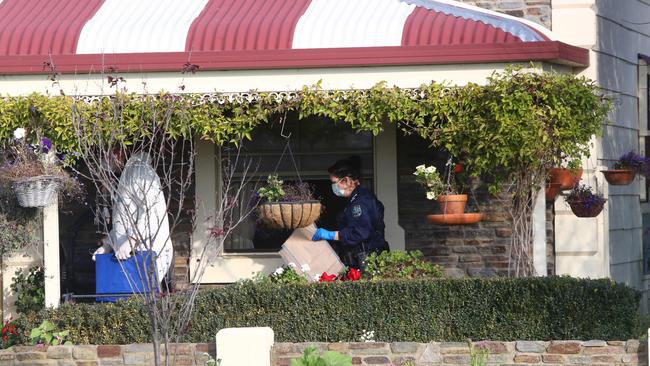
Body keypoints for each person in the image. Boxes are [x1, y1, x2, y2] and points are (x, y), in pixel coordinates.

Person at [92, 152, 173, 284]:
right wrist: (107, 245)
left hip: (144, 254)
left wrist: (132, 241)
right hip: (131, 257)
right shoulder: (127, 174)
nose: (103, 160)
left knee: (142, 298)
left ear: (120, 152)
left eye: (107, 154)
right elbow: (123, 222)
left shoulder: (140, 172)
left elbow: (152, 213)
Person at [311, 157, 389, 268]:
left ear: (346, 180)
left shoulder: (360, 201)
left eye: (334, 183)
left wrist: (331, 235)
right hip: (363, 255)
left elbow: (361, 233)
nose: (333, 187)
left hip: (368, 258)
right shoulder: (357, 198)